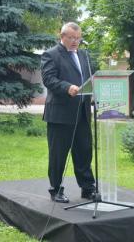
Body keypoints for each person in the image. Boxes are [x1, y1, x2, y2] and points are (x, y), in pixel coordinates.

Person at [41, 22, 95, 203]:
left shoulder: (84, 55)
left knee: (84, 151)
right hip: (60, 114)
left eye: (78, 38)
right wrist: (67, 87)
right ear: (62, 36)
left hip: (82, 113)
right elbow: (49, 79)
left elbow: (89, 79)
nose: (75, 42)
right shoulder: (51, 54)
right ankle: (55, 189)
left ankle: (88, 188)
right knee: (58, 154)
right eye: (71, 38)